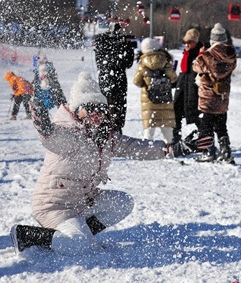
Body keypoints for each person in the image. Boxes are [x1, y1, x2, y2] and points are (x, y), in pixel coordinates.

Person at [10, 72, 168, 255]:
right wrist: (44, 127)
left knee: (123, 203)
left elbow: (136, 147)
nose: (96, 114)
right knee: (80, 247)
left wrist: (171, 148)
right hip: (55, 205)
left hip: (83, 201)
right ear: (77, 111)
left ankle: (80, 232)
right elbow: (52, 137)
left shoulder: (104, 138)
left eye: (100, 109)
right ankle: (25, 235)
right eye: (89, 108)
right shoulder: (70, 134)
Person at [192, 23, 237, 163]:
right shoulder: (231, 55)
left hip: (208, 95)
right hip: (223, 95)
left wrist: (201, 53)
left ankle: (208, 151)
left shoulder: (207, 55)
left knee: (206, 124)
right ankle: (225, 150)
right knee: (221, 124)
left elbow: (196, 66)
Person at [93, 22, 136, 133]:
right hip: (118, 80)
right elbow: (127, 63)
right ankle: (115, 133)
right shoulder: (119, 44)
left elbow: (100, 63)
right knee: (117, 110)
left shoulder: (101, 42)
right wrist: (128, 48)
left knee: (107, 109)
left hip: (105, 79)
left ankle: (108, 132)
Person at [133, 38, 177, 142]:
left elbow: (137, 81)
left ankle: (148, 153)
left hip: (149, 101)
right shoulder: (166, 61)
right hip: (165, 99)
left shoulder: (143, 63)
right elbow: (174, 78)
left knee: (149, 132)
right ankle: (169, 151)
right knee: (167, 131)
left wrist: (147, 83)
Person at [173, 28, 204, 144]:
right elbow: (184, 69)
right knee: (176, 112)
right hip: (183, 87)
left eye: (189, 42)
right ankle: (175, 138)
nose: (186, 45)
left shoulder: (200, 54)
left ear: (195, 42)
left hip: (193, 89)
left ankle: (203, 138)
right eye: (184, 42)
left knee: (195, 114)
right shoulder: (187, 53)